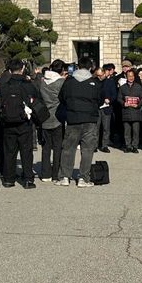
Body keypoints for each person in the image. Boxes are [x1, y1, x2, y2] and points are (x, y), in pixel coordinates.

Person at [56, 55, 101, 186]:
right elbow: (99, 99)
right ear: (90, 67)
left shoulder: (69, 81)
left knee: (68, 149)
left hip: (73, 118)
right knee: (87, 149)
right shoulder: (95, 82)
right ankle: (83, 178)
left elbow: (61, 98)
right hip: (90, 119)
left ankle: (65, 177)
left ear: (78, 66)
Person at [0, 59, 38, 188]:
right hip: (24, 121)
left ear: (10, 70)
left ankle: (9, 179)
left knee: (10, 151)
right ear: (22, 69)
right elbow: (35, 99)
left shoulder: (4, 85)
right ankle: (28, 179)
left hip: (8, 122)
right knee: (26, 151)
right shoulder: (28, 84)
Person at [36, 59, 66, 183]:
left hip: (44, 116)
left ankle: (45, 173)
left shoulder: (42, 82)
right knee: (58, 146)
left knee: (46, 147)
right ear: (62, 70)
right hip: (57, 117)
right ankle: (55, 174)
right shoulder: (61, 82)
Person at [118, 69, 142, 153]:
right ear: (126, 77)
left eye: (132, 76)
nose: (131, 78)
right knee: (127, 131)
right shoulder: (122, 87)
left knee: (136, 131)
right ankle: (128, 146)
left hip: (136, 111)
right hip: (126, 111)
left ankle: (135, 146)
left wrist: (138, 105)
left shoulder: (138, 87)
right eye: (129, 76)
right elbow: (119, 98)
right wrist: (123, 103)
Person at [97, 63, 117, 152]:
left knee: (106, 128)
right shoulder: (97, 81)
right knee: (96, 128)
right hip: (97, 107)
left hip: (107, 107)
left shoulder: (111, 82)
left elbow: (114, 94)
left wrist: (110, 99)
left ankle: (104, 145)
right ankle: (95, 145)